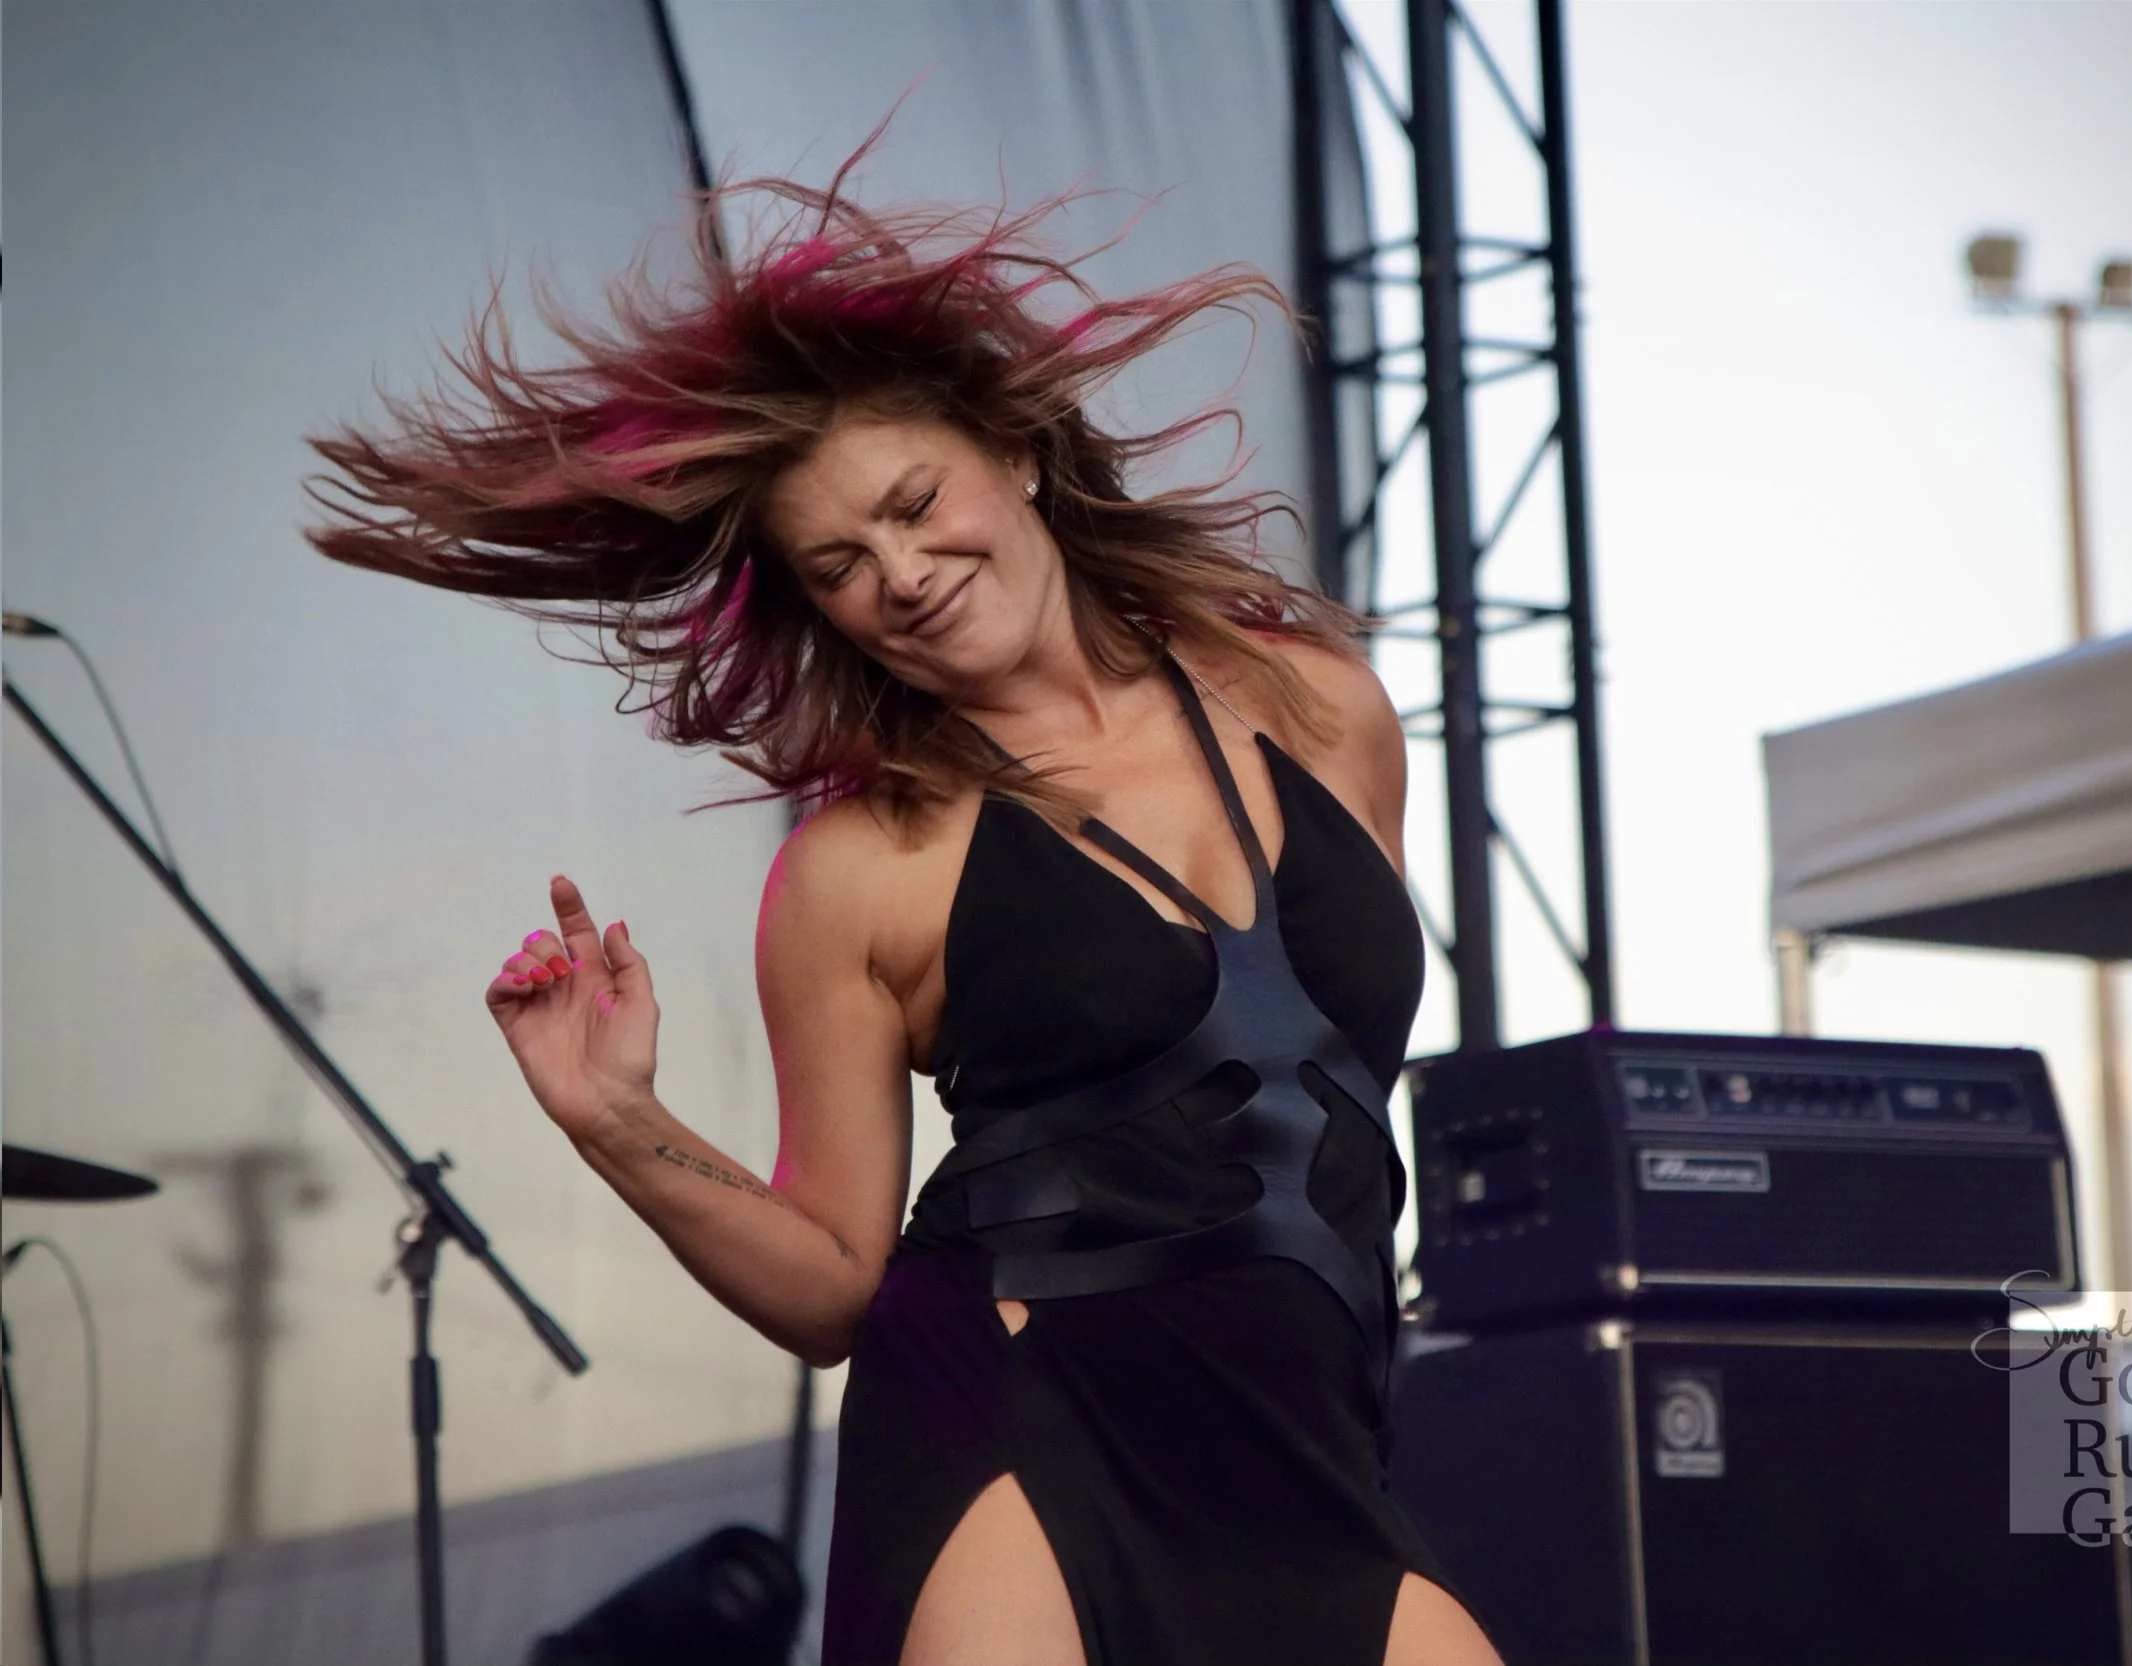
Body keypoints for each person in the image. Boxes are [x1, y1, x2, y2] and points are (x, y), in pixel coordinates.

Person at [305, 165, 1505, 1666]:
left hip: (1310, 1450)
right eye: (840, 566)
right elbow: (828, 1281)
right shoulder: (861, 867)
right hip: (1019, 1418)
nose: (903, 576)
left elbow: (1332, 1103)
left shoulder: (1324, 708)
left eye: (916, 503)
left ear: (1016, 454)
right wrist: (618, 1120)